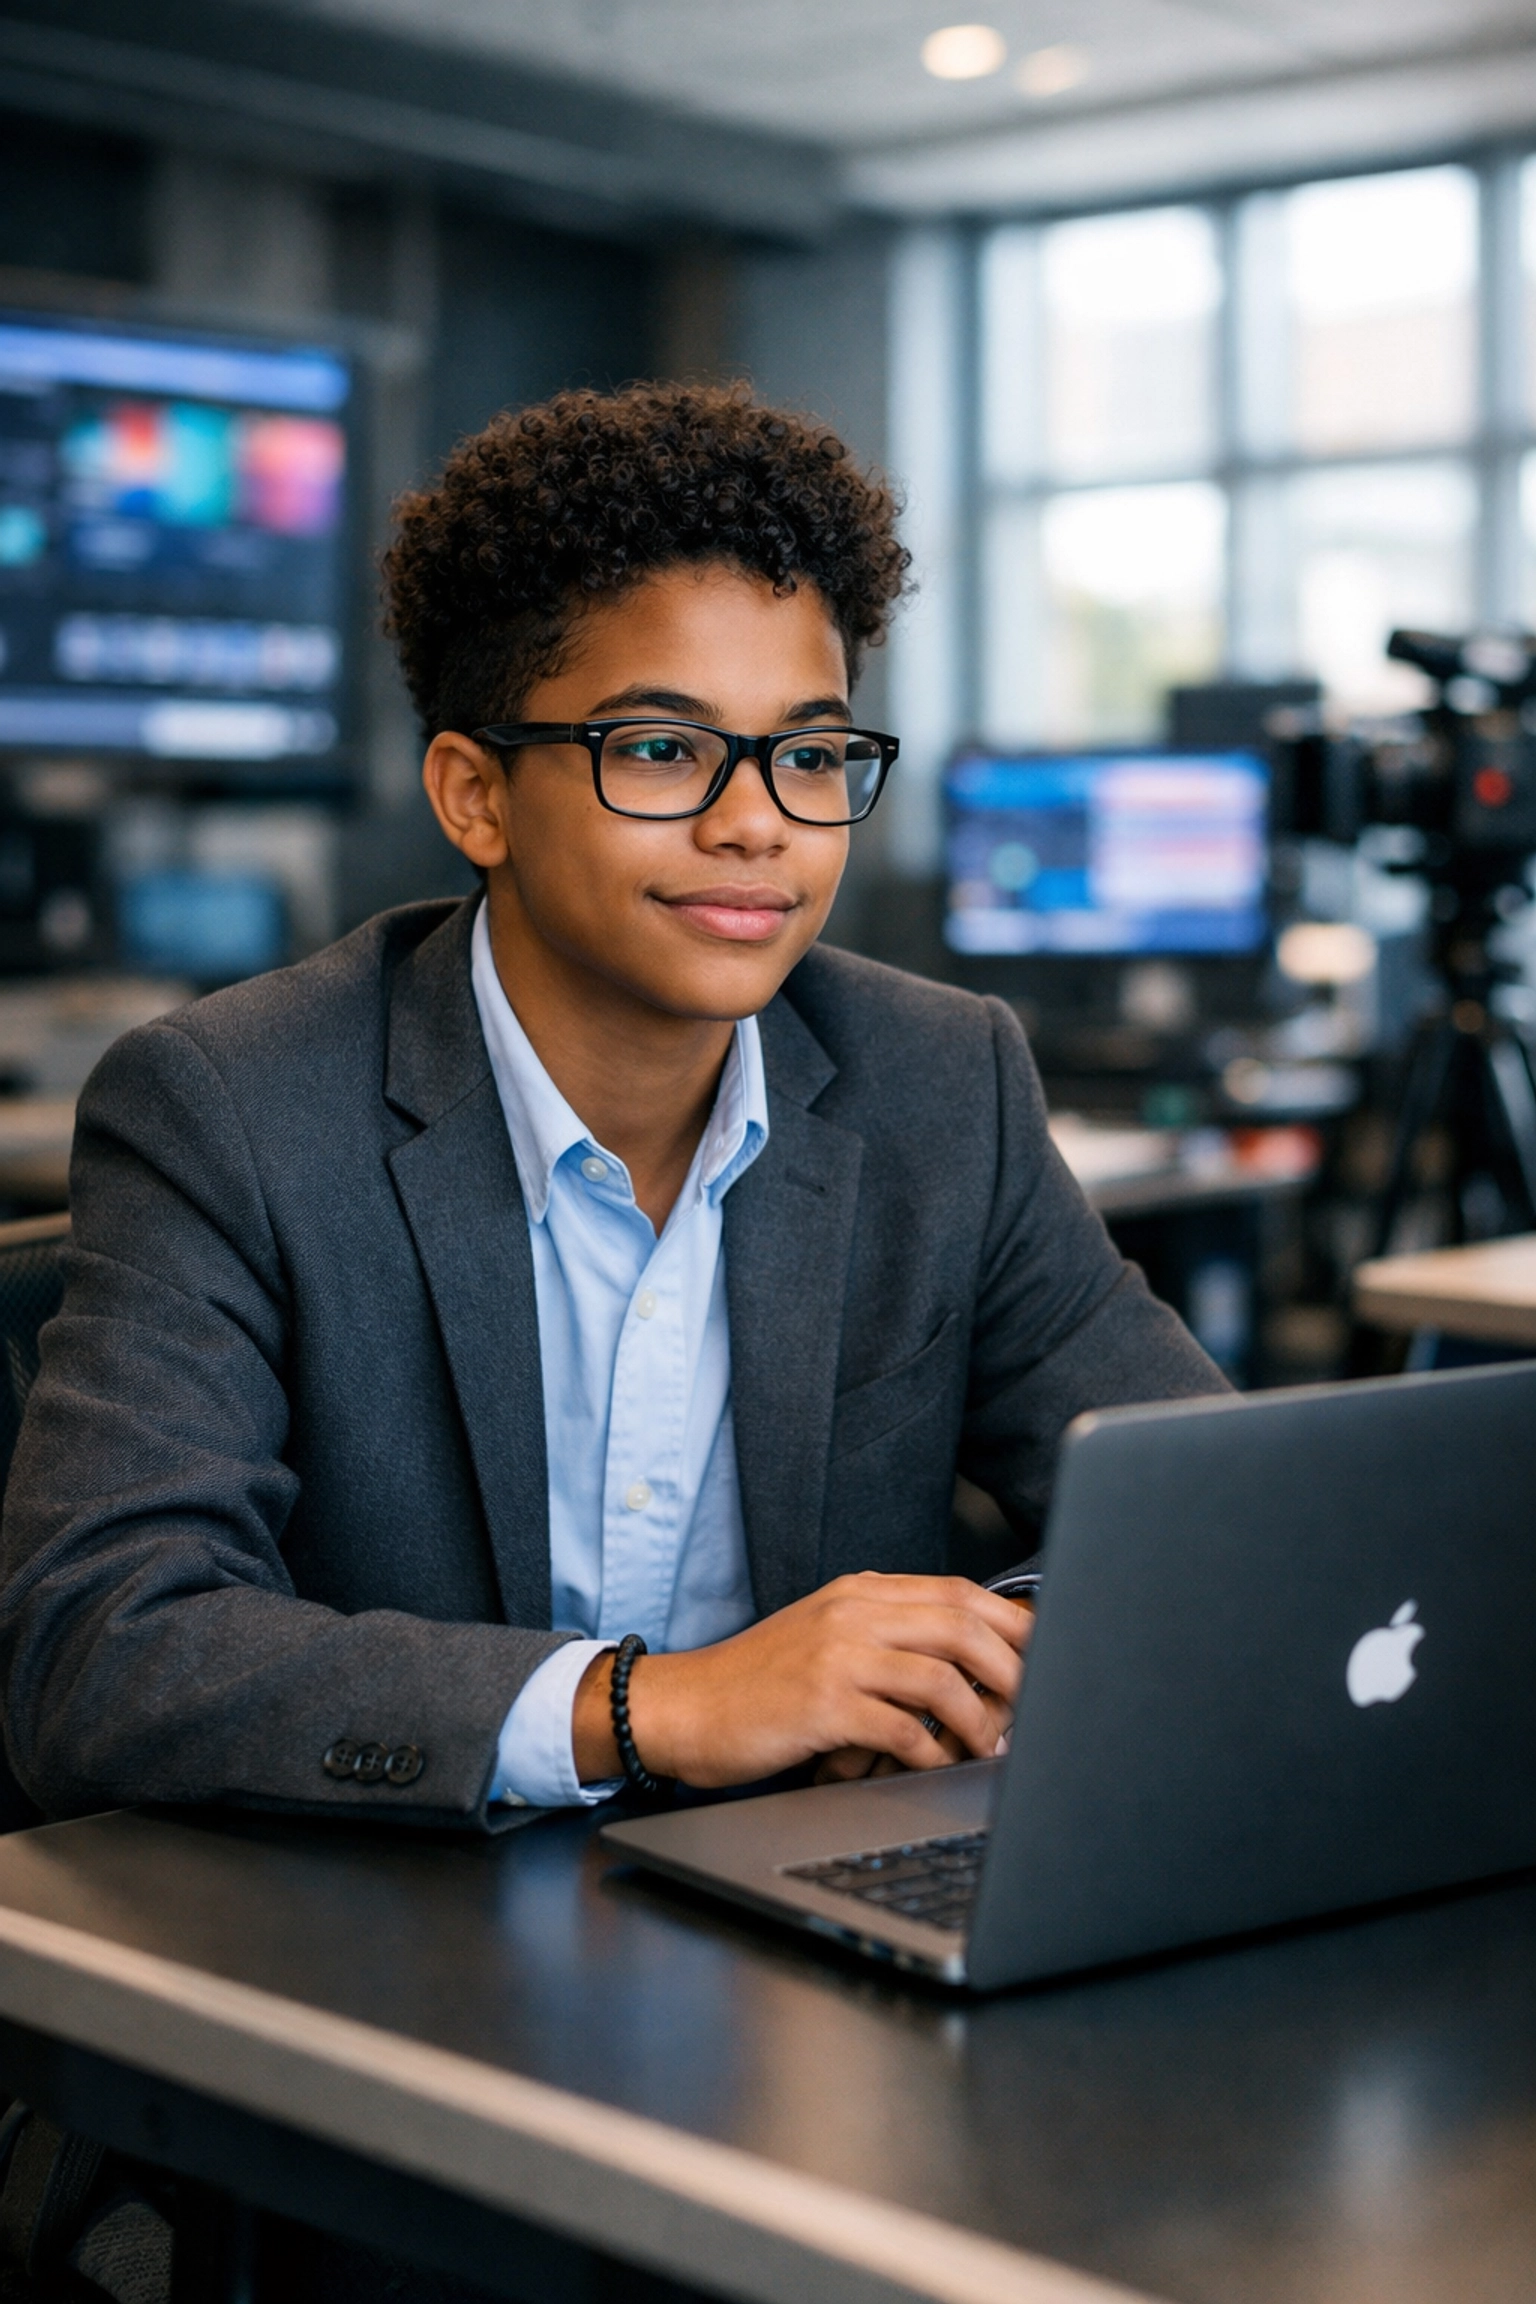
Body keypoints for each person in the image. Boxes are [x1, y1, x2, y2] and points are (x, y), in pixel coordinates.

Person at [0, 383, 1224, 1827]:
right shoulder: (231, 1107)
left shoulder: (944, 1081)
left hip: (801, 1914)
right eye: (660, 749)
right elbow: (101, 1648)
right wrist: (661, 1707)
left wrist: (948, 1664)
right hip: (401, 1934)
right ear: (475, 798)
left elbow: (1198, 1516)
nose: (757, 821)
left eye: (812, 754)